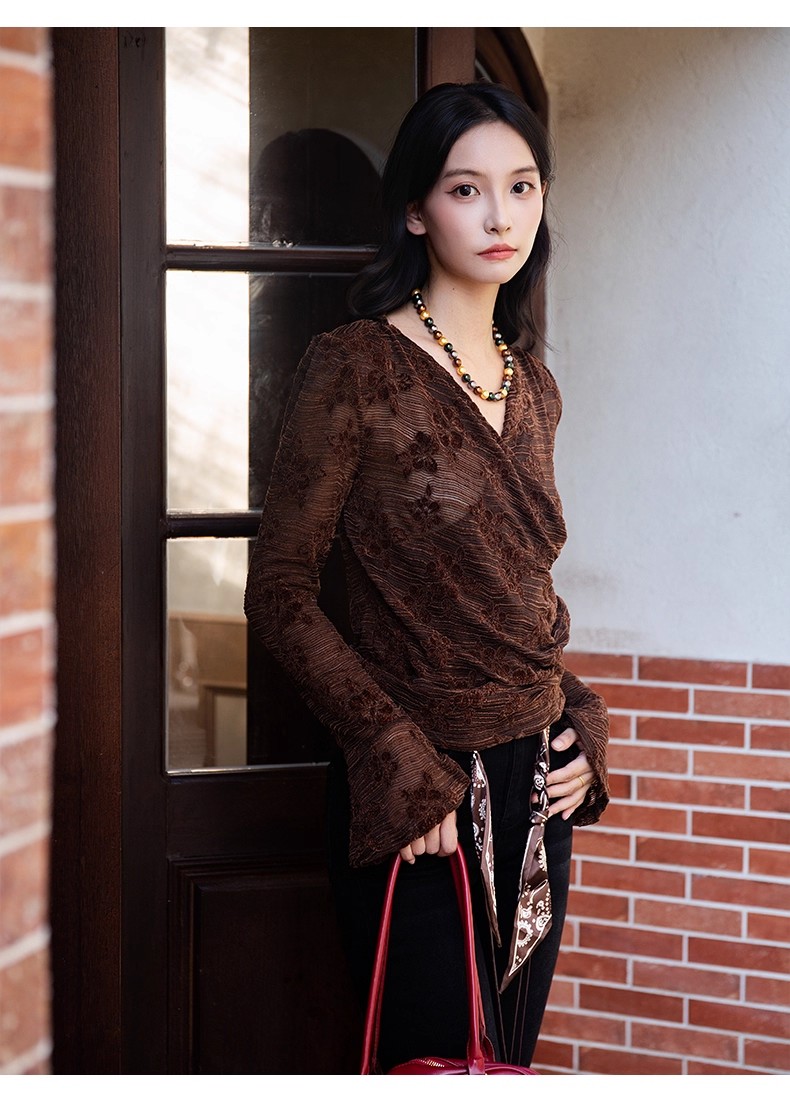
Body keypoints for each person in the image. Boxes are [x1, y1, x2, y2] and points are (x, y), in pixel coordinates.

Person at [244, 80, 610, 1071]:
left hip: (536, 787)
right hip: (420, 797)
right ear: (415, 210)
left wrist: (578, 719)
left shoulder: (532, 384)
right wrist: (394, 756)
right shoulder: (356, 366)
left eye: (521, 186)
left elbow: (509, 594)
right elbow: (279, 591)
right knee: (429, 1067)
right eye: (465, 189)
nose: (500, 216)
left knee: (506, 1064)